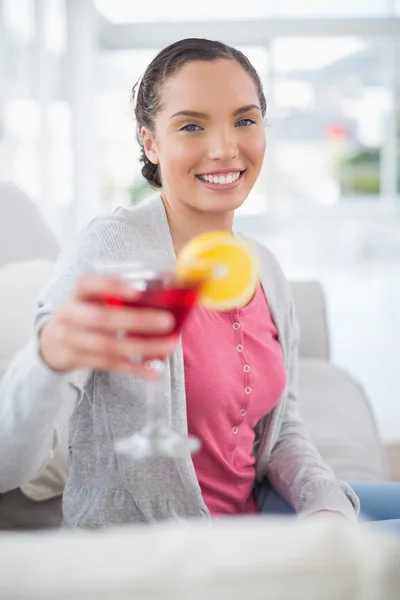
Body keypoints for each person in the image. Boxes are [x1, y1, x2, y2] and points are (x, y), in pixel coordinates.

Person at [0, 38, 399, 530]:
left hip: (257, 518)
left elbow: (282, 426)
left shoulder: (264, 267)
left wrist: (323, 504)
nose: (224, 148)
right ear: (150, 142)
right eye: (191, 126)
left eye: (245, 120)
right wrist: (48, 359)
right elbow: (8, 465)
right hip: (170, 554)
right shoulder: (110, 251)